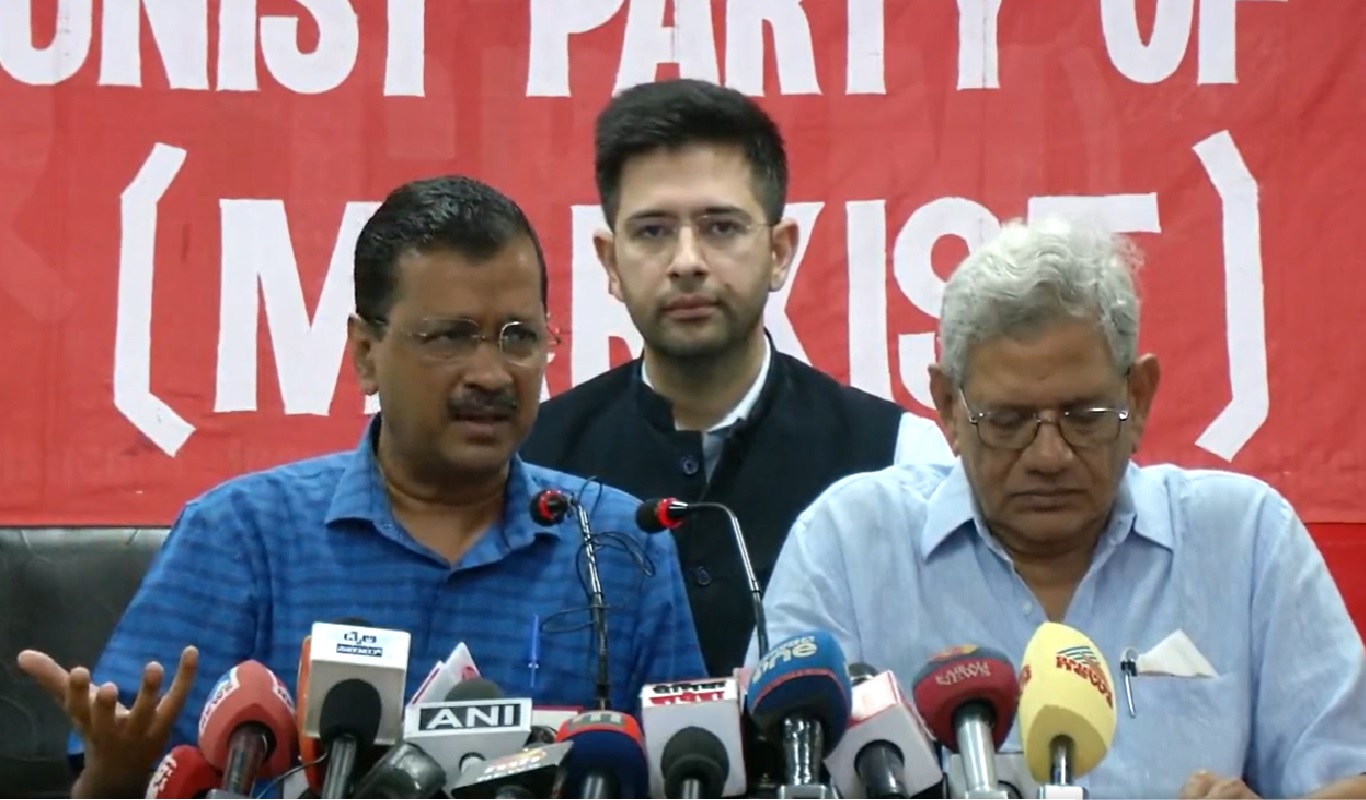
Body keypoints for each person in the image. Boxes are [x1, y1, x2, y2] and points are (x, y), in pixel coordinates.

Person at [17, 176, 705, 798]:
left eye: (518, 336)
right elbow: (132, 773)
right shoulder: (241, 536)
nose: (492, 374)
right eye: (450, 337)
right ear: (366, 354)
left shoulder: (619, 544)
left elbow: (694, 771)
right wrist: (114, 778)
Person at [753, 215, 1366, 799]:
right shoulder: (850, 545)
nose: (1049, 455)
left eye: (1084, 416)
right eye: (1008, 421)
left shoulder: (1243, 540)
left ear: (1139, 396)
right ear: (948, 407)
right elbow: (763, 770)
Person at [520, 78, 952, 676]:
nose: (687, 262)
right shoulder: (532, 464)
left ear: (779, 252)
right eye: (652, 231)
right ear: (610, 263)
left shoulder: (898, 460)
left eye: (720, 227)